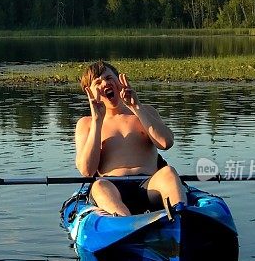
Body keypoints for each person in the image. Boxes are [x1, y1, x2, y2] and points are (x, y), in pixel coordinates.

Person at [75, 60, 187, 216]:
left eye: (109, 78)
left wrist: (136, 107)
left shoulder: (146, 111)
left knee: (168, 172)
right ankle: (126, 222)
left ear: (119, 81)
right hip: (112, 186)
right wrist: (97, 121)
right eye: (98, 82)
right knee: (99, 186)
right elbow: (87, 170)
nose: (105, 83)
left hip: (149, 185)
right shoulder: (86, 123)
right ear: (91, 92)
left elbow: (166, 143)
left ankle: (180, 216)